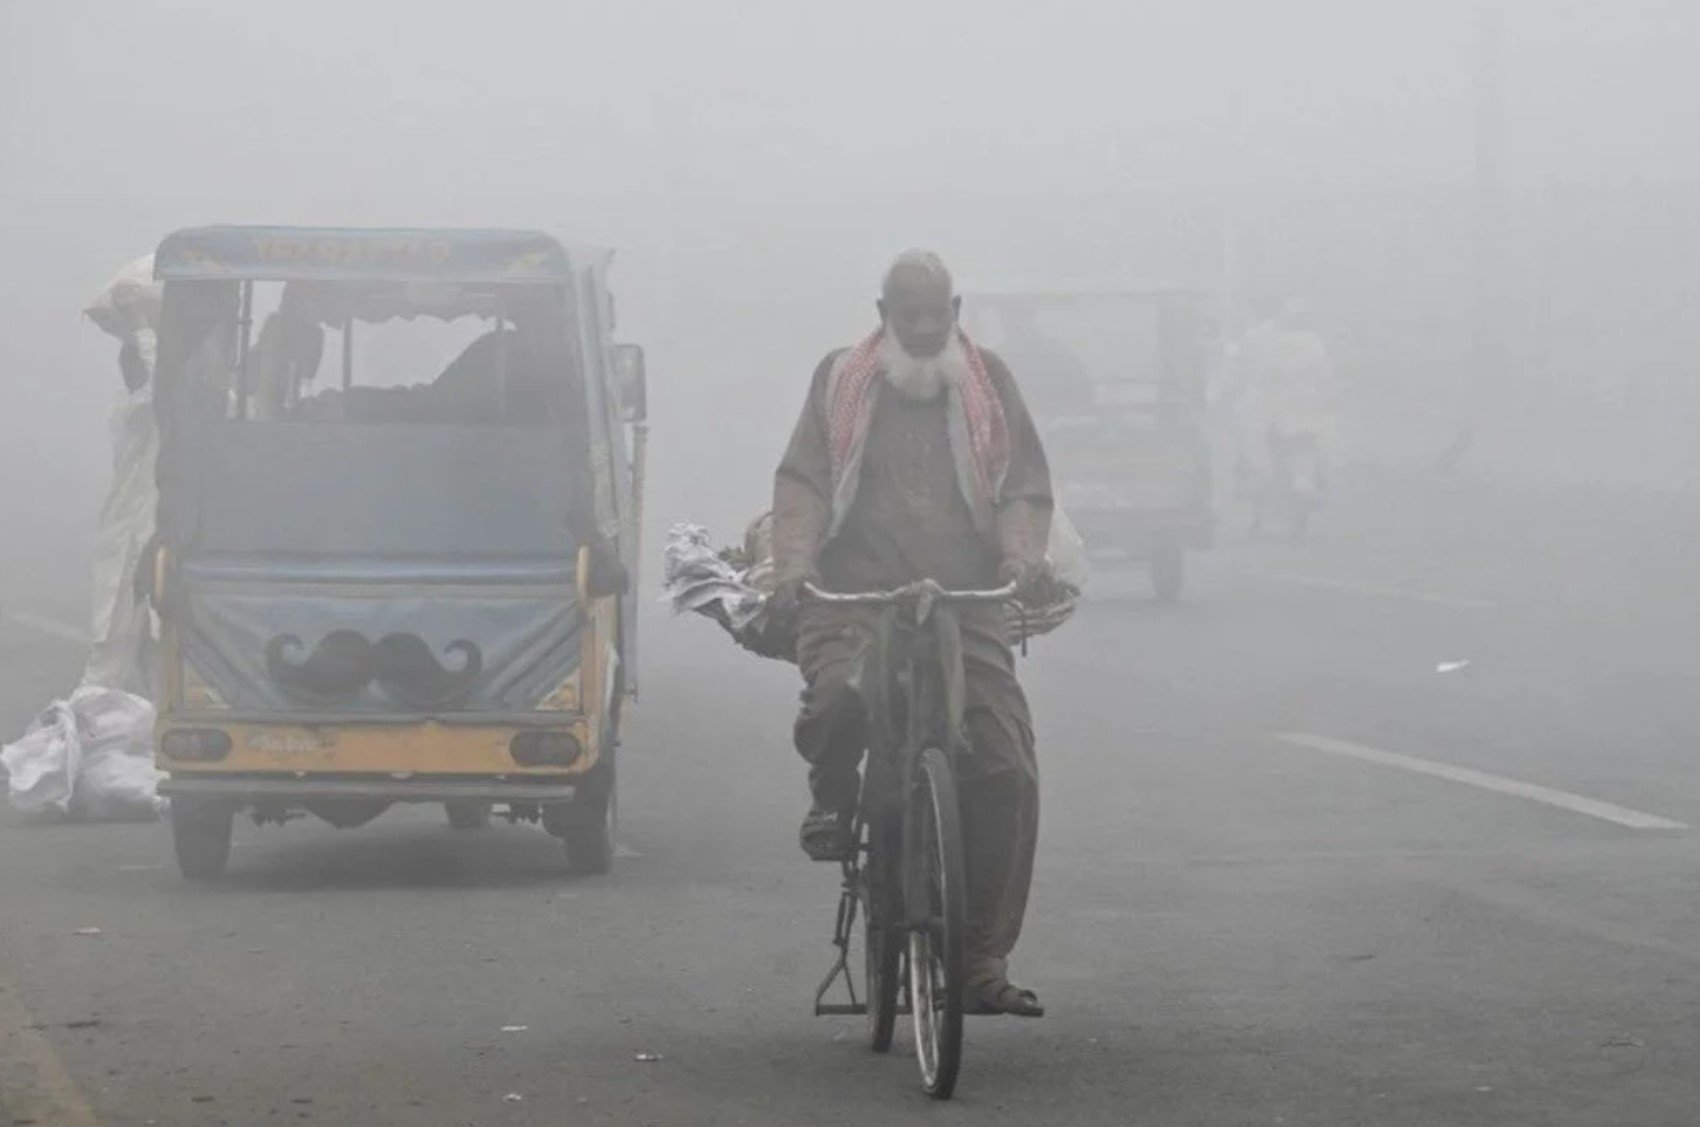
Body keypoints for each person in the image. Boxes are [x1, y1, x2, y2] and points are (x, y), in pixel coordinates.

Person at [771, 250, 1052, 1017]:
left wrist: (1022, 555)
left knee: (1006, 767)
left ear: (956, 310)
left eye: (937, 315)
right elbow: (802, 482)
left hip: (965, 601)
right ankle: (832, 799)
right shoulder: (841, 380)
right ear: (883, 313)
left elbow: (1021, 486)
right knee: (840, 697)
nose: (925, 329)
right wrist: (793, 563)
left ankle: (980, 958)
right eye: (910, 316)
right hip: (856, 595)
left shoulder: (989, 382)